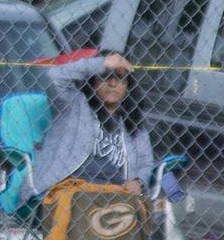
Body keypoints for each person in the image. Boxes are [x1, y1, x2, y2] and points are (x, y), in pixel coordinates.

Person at [25, 51, 152, 200]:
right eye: (105, 76)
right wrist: (100, 63)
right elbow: (54, 75)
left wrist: (138, 181)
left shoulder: (132, 121)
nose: (112, 83)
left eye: (120, 77)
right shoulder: (72, 104)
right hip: (70, 188)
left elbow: (146, 162)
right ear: (93, 81)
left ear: (127, 85)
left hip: (115, 193)